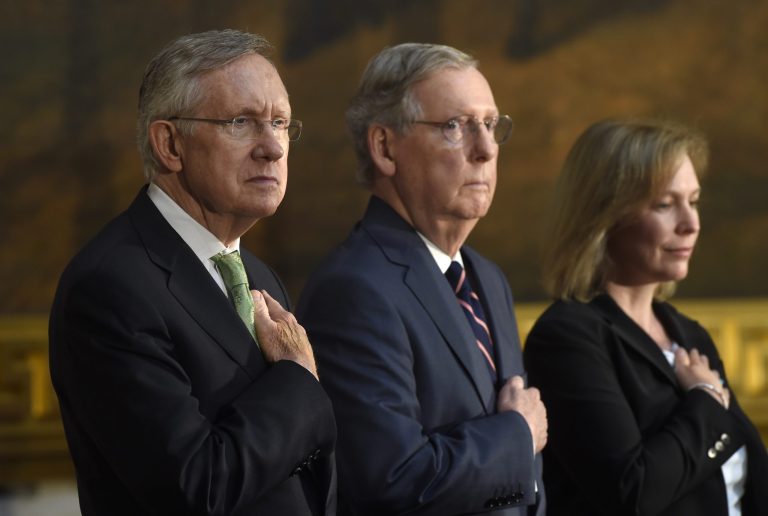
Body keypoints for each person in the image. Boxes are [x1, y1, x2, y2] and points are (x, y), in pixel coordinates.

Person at [48, 30, 336, 516]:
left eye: (281, 123)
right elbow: (195, 487)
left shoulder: (256, 272)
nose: (273, 148)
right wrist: (296, 378)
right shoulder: (110, 286)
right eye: (242, 121)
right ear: (170, 144)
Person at [296, 43, 547, 516]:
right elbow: (390, 482)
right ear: (385, 147)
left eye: (490, 125)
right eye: (455, 126)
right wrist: (517, 435)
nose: (486, 149)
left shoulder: (488, 278)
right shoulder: (353, 289)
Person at [523, 118, 768, 516]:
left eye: (694, 201)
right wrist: (705, 401)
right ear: (605, 217)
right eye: (665, 205)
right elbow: (631, 492)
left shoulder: (690, 335)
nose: (691, 224)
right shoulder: (568, 336)